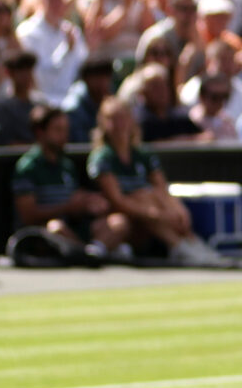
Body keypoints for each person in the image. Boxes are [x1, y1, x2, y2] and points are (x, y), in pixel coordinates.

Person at [88, 96, 219, 264]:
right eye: (113, 119)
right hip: (116, 220)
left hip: (146, 220)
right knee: (144, 196)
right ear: (103, 123)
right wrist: (158, 215)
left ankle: (189, 242)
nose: (119, 125)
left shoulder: (143, 155)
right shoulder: (102, 158)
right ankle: (181, 247)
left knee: (154, 197)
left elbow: (161, 189)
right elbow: (117, 201)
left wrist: (178, 211)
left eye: (123, 118)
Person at [10, 106, 116, 261]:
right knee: (56, 228)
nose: (64, 136)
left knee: (118, 222)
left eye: (66, 130)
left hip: (74, 229)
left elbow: (74, 204)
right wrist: (68, 207)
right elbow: (28, 216)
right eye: (58, 130)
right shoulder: (27, 168)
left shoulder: (67, 166)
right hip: (41, 236)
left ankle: (90, 252)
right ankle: (89, 255)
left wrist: (87, 203)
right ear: (40, 133)